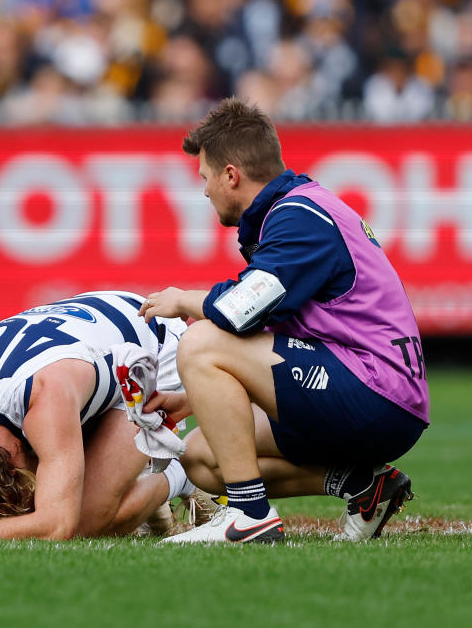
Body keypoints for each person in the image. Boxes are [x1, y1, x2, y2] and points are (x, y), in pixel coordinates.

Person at [139, 98, 430, 543]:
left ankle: (250, 517)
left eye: (205, 177)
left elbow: (241, 312)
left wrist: (182, 299)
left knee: (200, 341)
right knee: (200, 457)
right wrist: (198, 399)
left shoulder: (299, 217)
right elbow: (282, 326)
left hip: (377, 394)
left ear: (231, 175)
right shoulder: (297, 209)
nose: (204, 191)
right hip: (367, 388)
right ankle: (364, 486)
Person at [0, 291, 201, 540]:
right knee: (68, 483)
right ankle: (133, 471)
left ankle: (178, 474)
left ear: (15, 460)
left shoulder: (46, 399)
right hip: (81, 327)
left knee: (85, 520)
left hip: (149, 343)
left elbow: (58, 524)